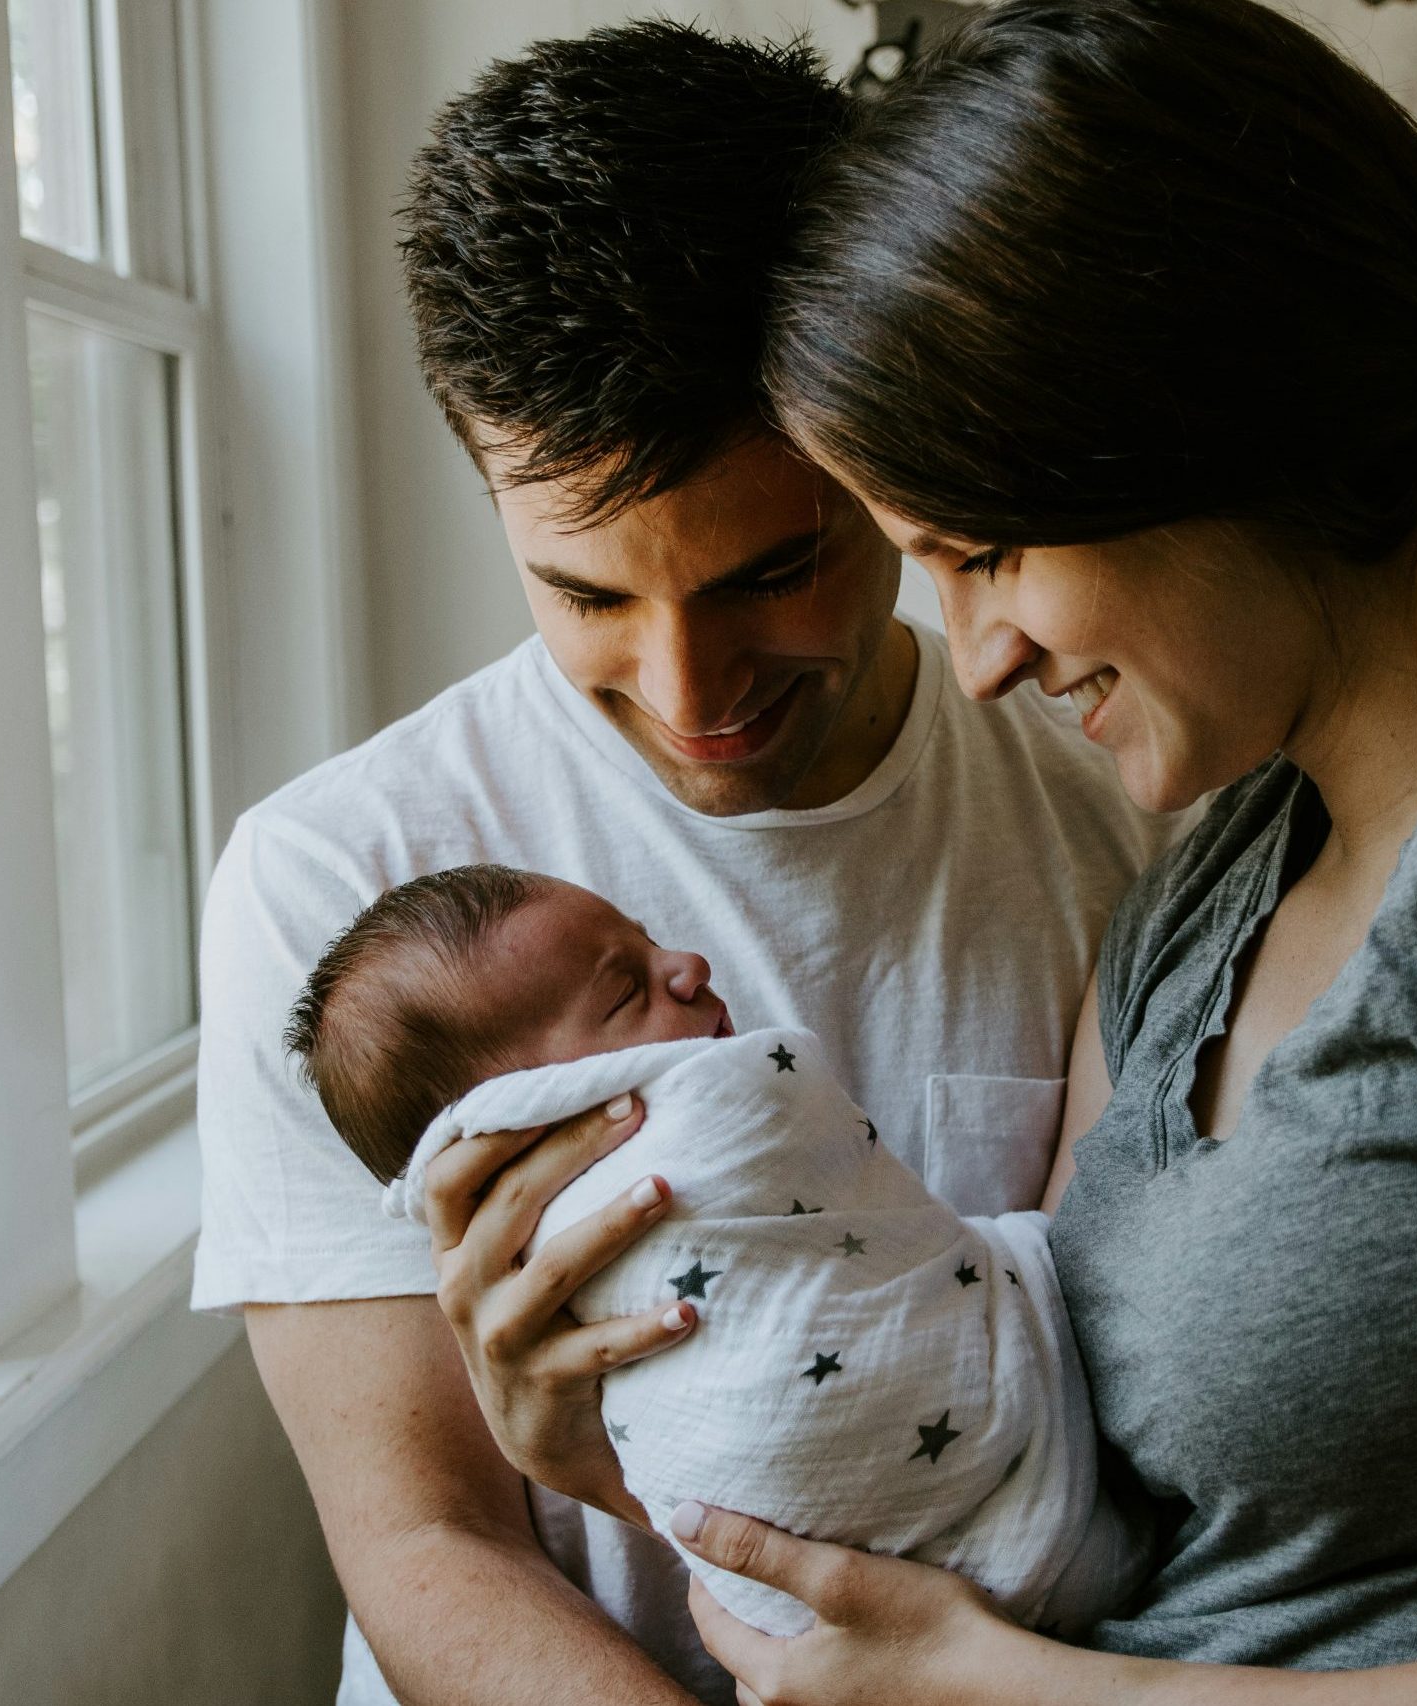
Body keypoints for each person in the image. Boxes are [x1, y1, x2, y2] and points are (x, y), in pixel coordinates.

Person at [421, 1, 1417, 1701]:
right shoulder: (1216, 882)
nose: (973, 652)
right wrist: (628, 1448)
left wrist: (1013, 1693)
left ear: (1204, 426)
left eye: (983, 550)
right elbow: (1025, 1462)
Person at [189, 22, 1175, 1706]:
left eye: (772, 569)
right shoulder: (338, 881)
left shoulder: (1113, 808)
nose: (688, 690)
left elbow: (1134, 1425)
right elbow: (432, 1544)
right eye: (586, 596)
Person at [283, 864, 1147, 1639]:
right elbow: (419, 1546)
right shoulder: (312, 863)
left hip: (866, 1624)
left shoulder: (1104, 833)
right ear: (533, 1108)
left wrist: (586, 1464)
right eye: (625, 993)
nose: (687, 963)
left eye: (649, 940)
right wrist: (560, 1452)